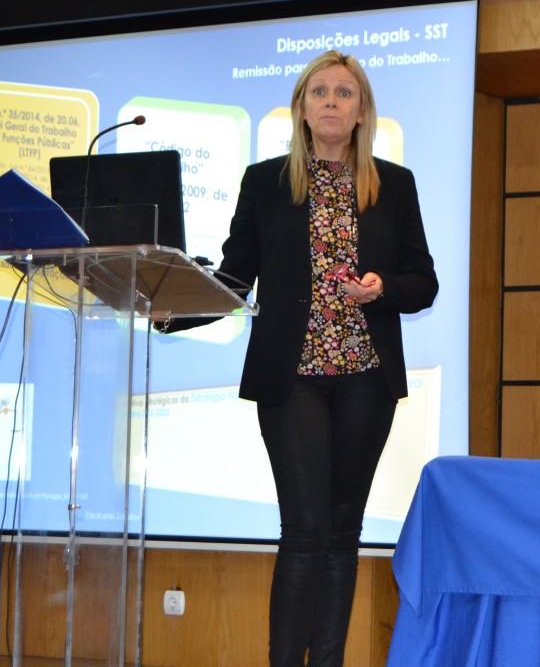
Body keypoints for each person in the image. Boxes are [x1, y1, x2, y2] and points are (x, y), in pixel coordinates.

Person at [162, 50, 437, 666]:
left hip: (367, 377)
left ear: (361, 111)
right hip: (293, 379)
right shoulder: (265, 182)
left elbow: (424, 281)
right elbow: (236, 277)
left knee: (343, 534)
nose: (332, 101)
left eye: (344, 92)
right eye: (320, 91)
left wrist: (382, 288)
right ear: (302, 109)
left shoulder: (394, 184)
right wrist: (172, 309)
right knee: (306, 530)